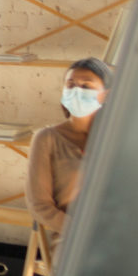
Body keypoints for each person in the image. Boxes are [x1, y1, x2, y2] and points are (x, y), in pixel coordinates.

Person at [26, 57, 112, 248]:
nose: (76, 91)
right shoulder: (47, 139)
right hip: (72, 242)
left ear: (105, 94)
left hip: (118, 239)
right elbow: (39, 206)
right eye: (70, 84)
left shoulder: (116, 140)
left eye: (86, 86)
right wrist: (80, 230)